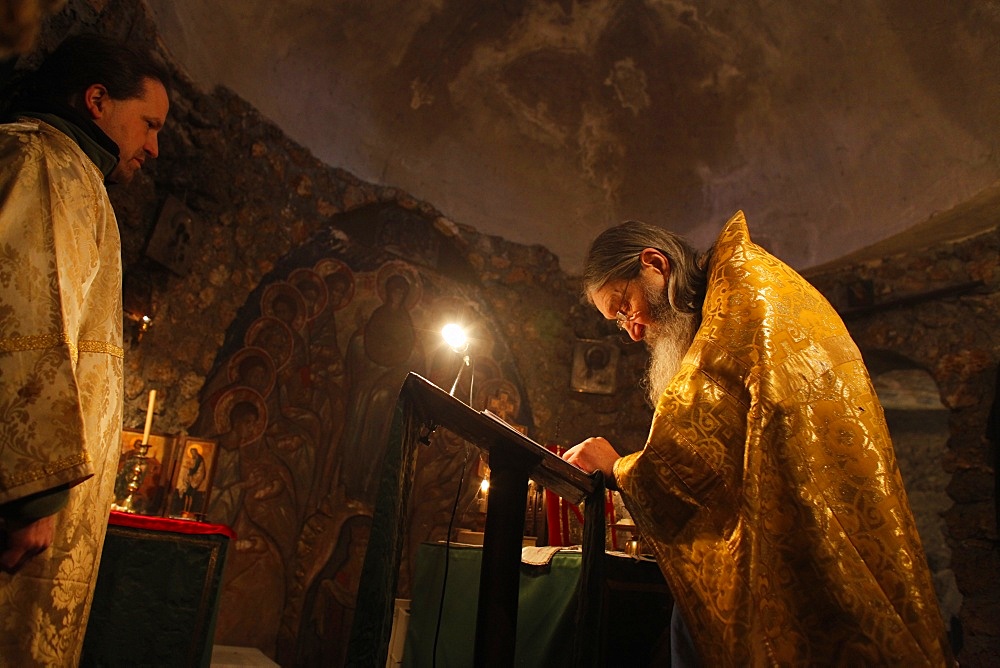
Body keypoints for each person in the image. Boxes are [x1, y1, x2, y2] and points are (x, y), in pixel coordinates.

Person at [563, 211, 954, 666]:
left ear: (655, 264)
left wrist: (616, 467)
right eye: (618, 321)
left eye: (625, 306)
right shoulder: (743, 288)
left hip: (801, 525)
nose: (631, 331)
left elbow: (699, 455)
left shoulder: (738, 305)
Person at [0, 34, 169, 664]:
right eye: (148, 123)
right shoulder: (47, 162)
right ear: (97, 100)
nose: (154, 146)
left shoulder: (71, 174)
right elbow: (22, 318)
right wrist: (32, 492)